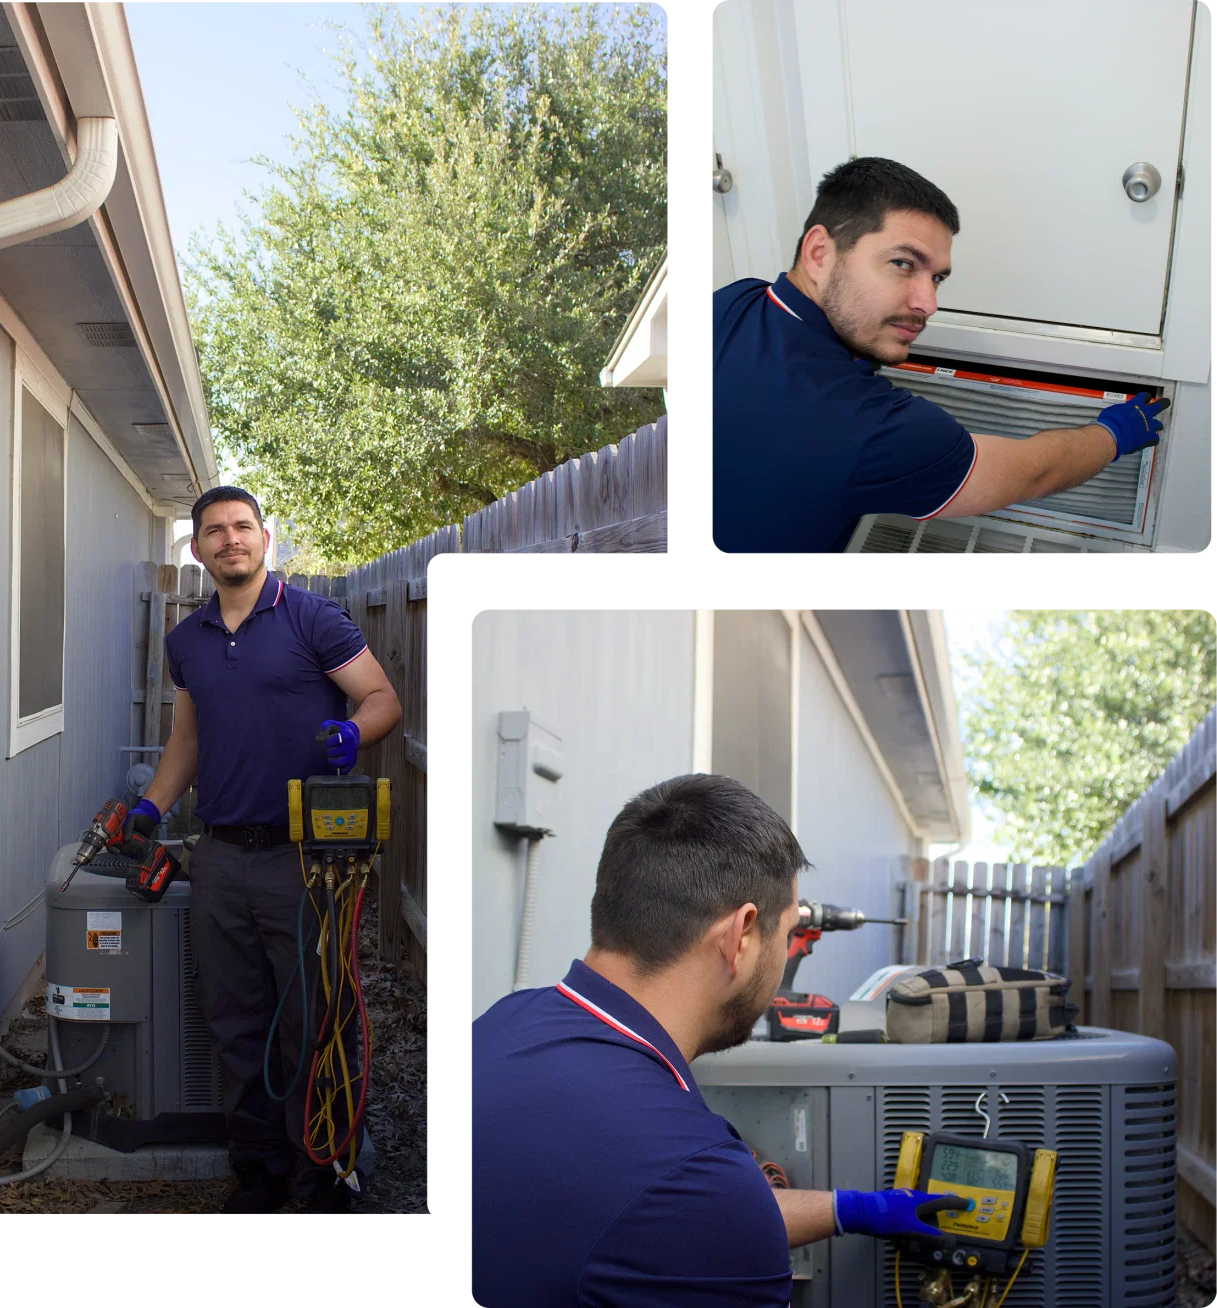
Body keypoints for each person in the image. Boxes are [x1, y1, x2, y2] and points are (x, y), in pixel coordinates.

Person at [469, 773, 971, 1305]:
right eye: (786, 933)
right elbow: (693, 1209)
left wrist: (857, 1209)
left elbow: (643, 1216)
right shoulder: (694, 1179)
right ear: (741, 935)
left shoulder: (500, 1024)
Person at [117, 485, 401, 1215]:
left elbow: (380, 699)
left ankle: (325, 1182)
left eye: (242, 527)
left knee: (317, 1026)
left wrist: (354, 733)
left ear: (264, 538)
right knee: (235, 1025)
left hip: (305, 862)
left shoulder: (312, 619)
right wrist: (151, 805)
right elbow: (188, 739)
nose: (230, 539)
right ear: (198, 549)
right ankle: (261, 1176)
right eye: (214, 530)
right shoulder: (188, 641)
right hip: (219, 859)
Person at [709, 156, 1169, 555]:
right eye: (903, 264)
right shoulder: (871, 427)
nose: (928, 303)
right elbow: (1033, 472)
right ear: (819, 252)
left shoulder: (733, 302)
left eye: (937, 278)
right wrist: (1115, 431)